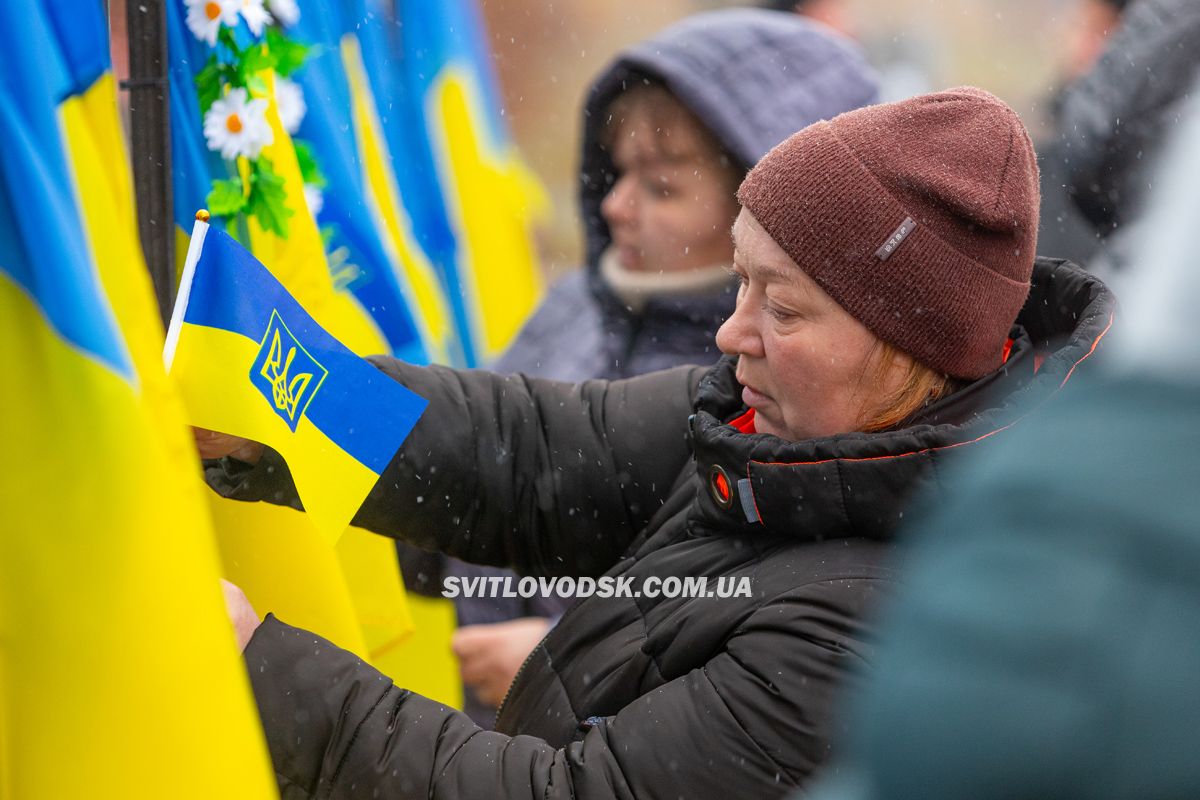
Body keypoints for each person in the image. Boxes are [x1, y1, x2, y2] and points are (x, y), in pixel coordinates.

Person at [204, 87, 1115, 799]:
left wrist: (261, 669)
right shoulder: (771, 426)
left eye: (784, 308)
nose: (732, 334)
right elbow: (527, 454)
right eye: (743, 285)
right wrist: (275, 412)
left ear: (909, 344)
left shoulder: (867, 629)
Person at [441, 8, 880, 725]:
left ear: (766, 211)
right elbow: (484, 457)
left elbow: (753, 615)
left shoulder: (780, 383)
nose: (615, 204)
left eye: (663, 185)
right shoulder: (573, 307)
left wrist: (563, 653)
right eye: (616, 169)